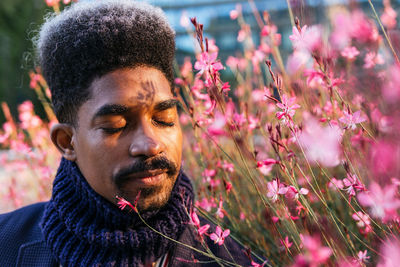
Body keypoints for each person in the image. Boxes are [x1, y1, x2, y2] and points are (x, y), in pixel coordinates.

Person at [0, 1, 264, 266]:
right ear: (67, 142)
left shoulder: (231, 257)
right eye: (116, 125)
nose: (150, 145)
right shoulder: (7, 246)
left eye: (164, 119)